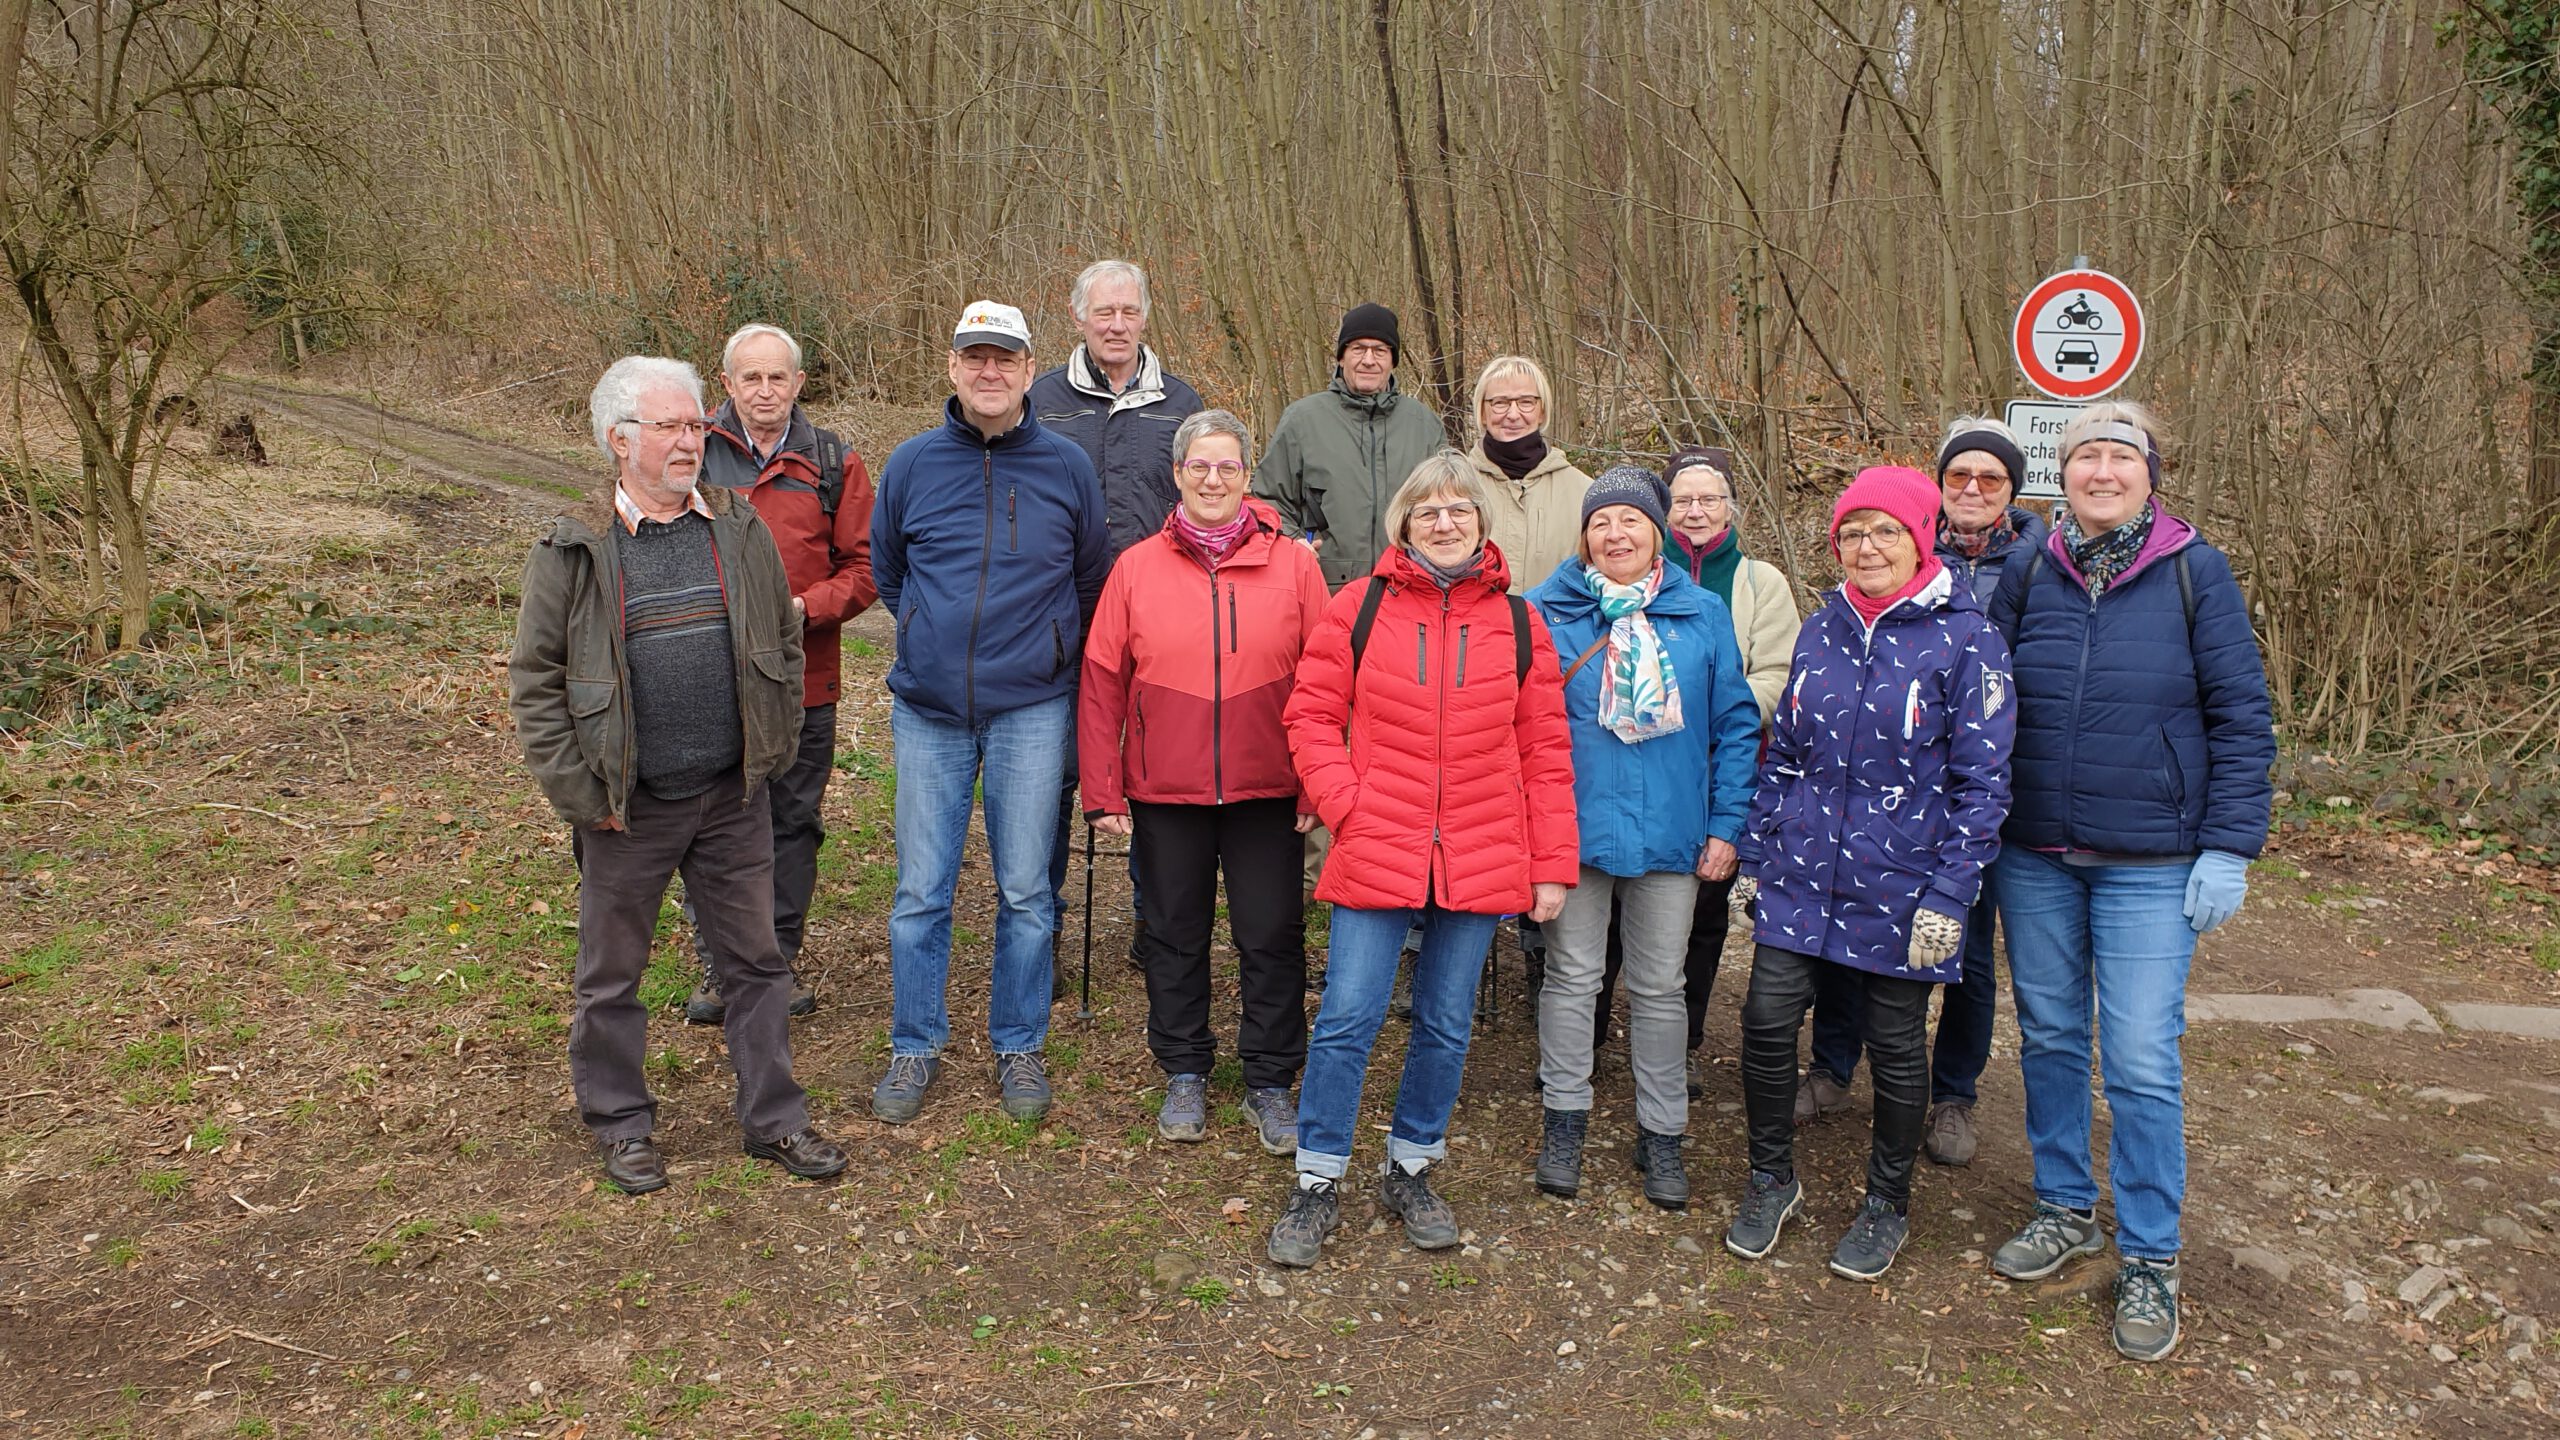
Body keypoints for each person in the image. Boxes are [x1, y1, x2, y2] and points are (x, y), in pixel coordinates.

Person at [508, 355, 846, 1194]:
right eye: (671, 426)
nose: (691, 440)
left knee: (758, 966)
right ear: (619, 441)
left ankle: (775, 1120)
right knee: (610, 977)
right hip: (629, 806)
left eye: (696, 425)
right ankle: (622, 1125)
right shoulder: (574, 550)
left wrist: (769, 752)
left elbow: (777, 640)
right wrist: (583, 796)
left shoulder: (739, 528)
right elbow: (536, 684)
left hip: (733, 796)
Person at [1983, 402, 2273, 1363]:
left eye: (2120, 456)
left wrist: (2229, 845)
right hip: (2037, 854)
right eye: (2083, 457)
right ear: (2058, 474)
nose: (2100, 471)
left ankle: (2151, 1253)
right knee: (2055, 1036)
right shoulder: (2030, 567)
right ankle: (2064, 1203)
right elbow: (1986, 696)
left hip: (2154, 862)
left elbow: (2241, 718)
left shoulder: (2196, 572)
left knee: (2143, 1057)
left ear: (2151, 472)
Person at [1264, 452, 1576, 1268]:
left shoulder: (1518, 622)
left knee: (1444, 1022)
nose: (1445, 522)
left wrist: (1550, 865)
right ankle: (1319, 1176)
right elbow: (1309, 718)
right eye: (1428, 511)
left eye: (1459, 510)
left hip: (1480, 850)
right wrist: (1349, 805)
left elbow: (1544, 751)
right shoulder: (1357, 609)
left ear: (1481, 522)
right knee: (1349, 1017)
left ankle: (1411, 1167)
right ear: (1404, 523)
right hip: (1380, 842)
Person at [1722, 465, 2014, 1282]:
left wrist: (1954, 893)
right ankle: (1770, 1179)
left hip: (1905, 883)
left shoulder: (1966, 638)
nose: (1867, 546)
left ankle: (1886, 1203)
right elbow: (1783, 756)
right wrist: (1755, 851)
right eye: (1852, 531)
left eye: (1886, 530)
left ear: (1921, 537)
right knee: (1767, 1023)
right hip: (1801, 872)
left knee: (1894, 1045)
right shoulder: (1821, 628)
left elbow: (1983, 783)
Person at [867, 301, 1108, 1126]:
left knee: (1026, 891)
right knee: (920, 891)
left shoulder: (1067, 466)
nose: (990, 372)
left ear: (1028, 367)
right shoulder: (910, 465)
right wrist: (932, 643)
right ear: (952, 367)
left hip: (1032, 710)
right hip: (929, 712)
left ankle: (1019, 1043)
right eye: (975, 357)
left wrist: (1045, 652)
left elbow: (1087, 580)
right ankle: (914, 1043)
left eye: (1004, 358)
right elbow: (890, 572)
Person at [1078, 410, 1329, 1152]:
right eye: (1199, 467)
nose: (1213, 479)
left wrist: (1319, 784)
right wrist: (1102, 788)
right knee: (1173, 933)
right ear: (1178, 475)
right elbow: (1101, 683)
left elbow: (1328, 682)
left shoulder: (1296, 566)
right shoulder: (1136, 568)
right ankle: (1184, 1068)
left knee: (1272, 935)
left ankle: (1271, 1080)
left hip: (1267, 789)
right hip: (1166, 789)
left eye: (1227, 467)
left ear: (1248, 476)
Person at [1797, 418, 2048, 1160]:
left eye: (1990, 479)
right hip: (1879, 801)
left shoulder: (2036, 568)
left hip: (1982, 787)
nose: (1972, 489)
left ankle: (1953, 1095)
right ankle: (1835, 1064)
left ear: (2012, 491)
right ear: (1934, 495)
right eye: (1959, 477)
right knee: (1846, 931)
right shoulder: (1893, 549)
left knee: (1966, 949)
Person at [1524, 467, 1759, 1211]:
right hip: (1575, 831)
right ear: (1584, 536)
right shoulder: (1543, 613)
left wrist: (1727, 826)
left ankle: (1663, 1132)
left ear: (1657, 532)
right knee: (1572, 979)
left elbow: (1735, 725)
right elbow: (1517, 731)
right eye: (1601, 523)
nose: (1615, 534)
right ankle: (1565, 1118)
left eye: (1631, 521)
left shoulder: (1701, 614)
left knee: (1662, 987)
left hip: (1672, 834)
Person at [677, 323, 876, 1027]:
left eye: (778, 378)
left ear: (799, 383)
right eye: (750, 378)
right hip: (703, 677)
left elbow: (867, 568)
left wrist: (800, 610)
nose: (765, 392)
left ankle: (776, 960)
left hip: (802, 680)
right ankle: (719, 962)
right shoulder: (690, 449)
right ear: (726, 383)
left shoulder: (831, 462)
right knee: (709, 822)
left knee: (791, 823)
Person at [1588, 447, 1800, 1094]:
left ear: (1731, 507)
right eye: (1683, 499)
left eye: (1710, 499)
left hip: (1716, 770)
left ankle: (1684, 1042)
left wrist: (1706, 709)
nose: (1697, 510)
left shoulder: (1758, 583)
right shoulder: (1622, 569)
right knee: (1610, 916)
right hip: (1626, 766)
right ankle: (1586, 1038)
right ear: (1663, 510)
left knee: (1701, 919)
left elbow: (1775, 675)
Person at [1028, 260, 1205, 976]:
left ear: (1145, 317)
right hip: (1057, 621)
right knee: (1053, 773)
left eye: (1128, 311)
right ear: (1078, 317)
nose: (1116, 324)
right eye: (1103, 312)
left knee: (1153, 773)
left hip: (1155, 625)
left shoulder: (1182, 402)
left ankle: (1152, 924)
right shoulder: (1042, 401)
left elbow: (1203, 504)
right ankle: (1042, 929)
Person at [1252, 303, 1446, 591]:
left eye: (1380, 350)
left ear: (1393, 360)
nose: (1368, 359)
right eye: (1358, 348)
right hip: (1324, 588)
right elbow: (1268, 498)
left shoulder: (1425, 425)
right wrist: (1295, 543)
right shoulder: (1304, 420)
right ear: (1341, 358)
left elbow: (1448, 505)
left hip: (1408, 588)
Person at [1465, 355, 1591, 596]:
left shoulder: (1584, 493)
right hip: (1471, 631)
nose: (1513, 414)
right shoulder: (1454, 487)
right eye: (1500, 402)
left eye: (1526, 402)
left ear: (1542, 411)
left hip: (1554, 632)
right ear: (1482, 412)